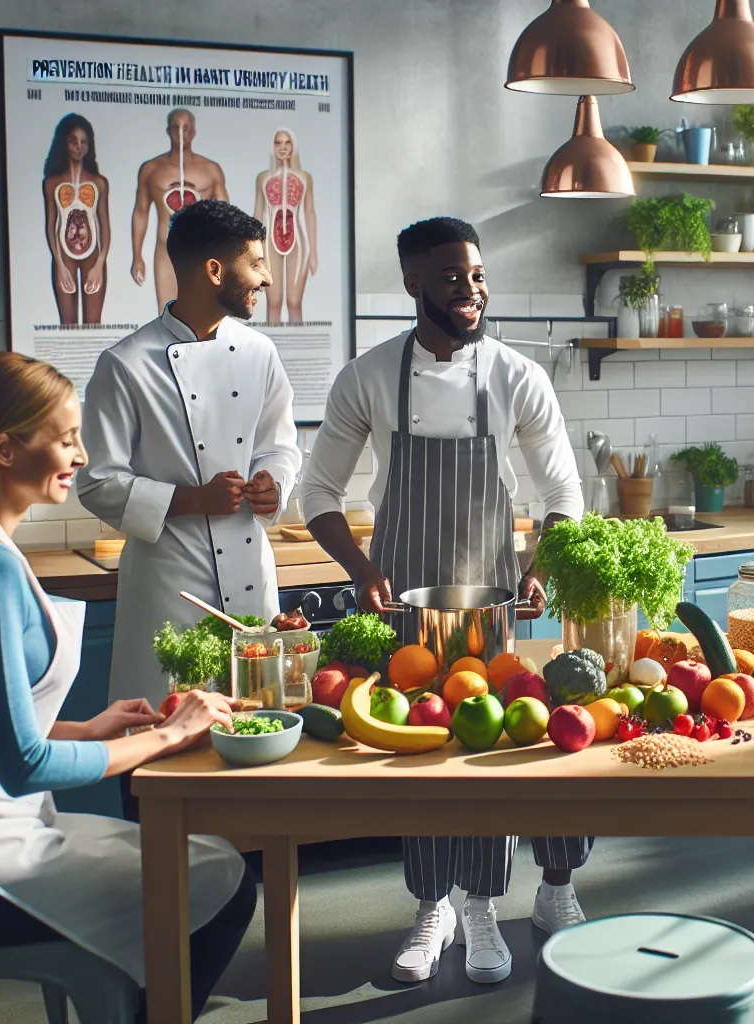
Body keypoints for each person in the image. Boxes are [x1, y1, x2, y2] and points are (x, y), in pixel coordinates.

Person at [0, 352, 255, 1023]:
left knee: (203, 863)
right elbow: (23, 764)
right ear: (5, 449)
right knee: (222, 877)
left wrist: (91, 729)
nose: (81, 453)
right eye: (66, 438)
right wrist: (169, 734)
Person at [300, 216, 586, 986]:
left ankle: (486, 906)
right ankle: (434, 907)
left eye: (478, 275)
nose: (471, 290)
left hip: (492, 594)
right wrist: (361, 567)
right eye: (454, 276)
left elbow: (563, 489)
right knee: (421, 751)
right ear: (413, 284)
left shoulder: (517, 376)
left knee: (487, 748)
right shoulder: (367, 377)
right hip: (403, 597)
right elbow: (316, 492)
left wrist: (539, 564)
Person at [80, 199, 301, 708]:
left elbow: (282, 446)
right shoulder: (125, 365)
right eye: (257, 263)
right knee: (168, 733)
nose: (266, 278)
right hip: (172, 590)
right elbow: (96, 482)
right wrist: (192, 499)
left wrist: (274, 483)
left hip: (252, 580)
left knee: (260, 720)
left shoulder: (260, 353)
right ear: (214, 270)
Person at [131, 109, 229, 307]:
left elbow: (225, 215)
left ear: (193, 132)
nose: (181, 133)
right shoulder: (151, 170)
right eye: (176, 127)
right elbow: (141, 212)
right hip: (165, 251)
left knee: (200, 317)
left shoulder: (211, 170)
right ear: (168, 131)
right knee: (167, 316)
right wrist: (137, 256)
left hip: (200, 253)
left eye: (186, 128)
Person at [42, 113, 111, 325]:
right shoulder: (52, 183)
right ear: (65, 144)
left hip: (93, 256)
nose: (78, 147)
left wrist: (99, 264)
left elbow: (104, 227)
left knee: (93, 324)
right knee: (68, 324)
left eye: (83, 142)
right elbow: (51, 226)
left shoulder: (99, 182)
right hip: (64, 256)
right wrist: (59, 264)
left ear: (89, 146)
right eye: (73, 141)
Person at [252, 128, 318, 324]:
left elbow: (309, 213)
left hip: (299, 242)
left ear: (293, 146)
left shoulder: (305, 178)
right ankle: (272, 353)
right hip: (269, 244)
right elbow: (257, 214)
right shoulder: (263, 178)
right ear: (272, 147)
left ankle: (299, 353)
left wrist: (313, 253)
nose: (282, 147)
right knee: (274, 302)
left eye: (287, 142)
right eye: (277, 143)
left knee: (294, 302)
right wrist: (254, 253)